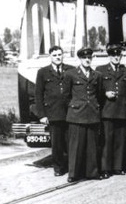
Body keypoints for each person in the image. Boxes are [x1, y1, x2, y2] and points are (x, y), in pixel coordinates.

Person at [63, 47, 104, 182]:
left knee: (92, 145)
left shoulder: (97, 75)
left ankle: (92, 172)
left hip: (92, 113)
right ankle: (74, 174)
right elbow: (66, 96)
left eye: (89, 58)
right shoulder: (71, 74)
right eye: (84, 58)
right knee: (75, 146)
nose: (87, 60)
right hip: (76, 114)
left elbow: (99, 94)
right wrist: (75, 106)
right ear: (80, 59)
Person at [35, 45, 74, 177]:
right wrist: (42, 115)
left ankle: (72, 167)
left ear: (63, 55)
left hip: (70, 113)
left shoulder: (71, 70)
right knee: (56, 144)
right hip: (53, 114)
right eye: (55, 55)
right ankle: (58, 168)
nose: (57, 57)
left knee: (71, 142)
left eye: (59, 55)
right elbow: (38, 95)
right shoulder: (43, 72)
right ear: (50, 57)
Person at [95, 43, 126, 179]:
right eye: (113, 55)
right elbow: (96, 91)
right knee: (106, 141)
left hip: (122, 110)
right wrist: (105, 94)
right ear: (109, 56)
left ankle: (118, 167)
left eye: (118, 55)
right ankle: (105, 168)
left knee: (120, 141)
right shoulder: (100, 70)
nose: (116, 57)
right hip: (107, 111)